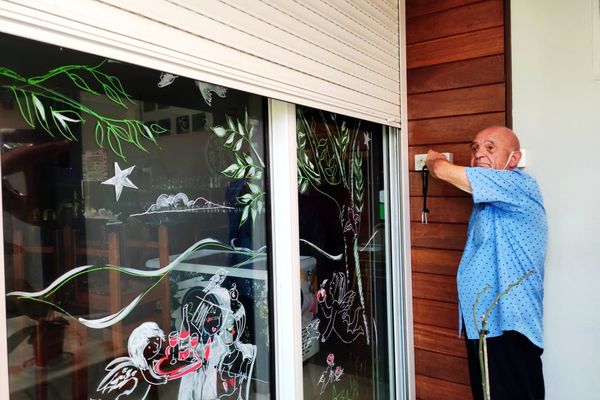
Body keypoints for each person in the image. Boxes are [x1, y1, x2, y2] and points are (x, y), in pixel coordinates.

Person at [425, 126, 547, 400]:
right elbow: (461, 180)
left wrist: (433, 160)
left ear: (513, 159)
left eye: (490, 148)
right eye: (475, 147)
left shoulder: (519, 185)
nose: (479, 153)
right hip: (486, 326)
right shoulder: (489, 197)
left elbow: (445, 172)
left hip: (509, 326)